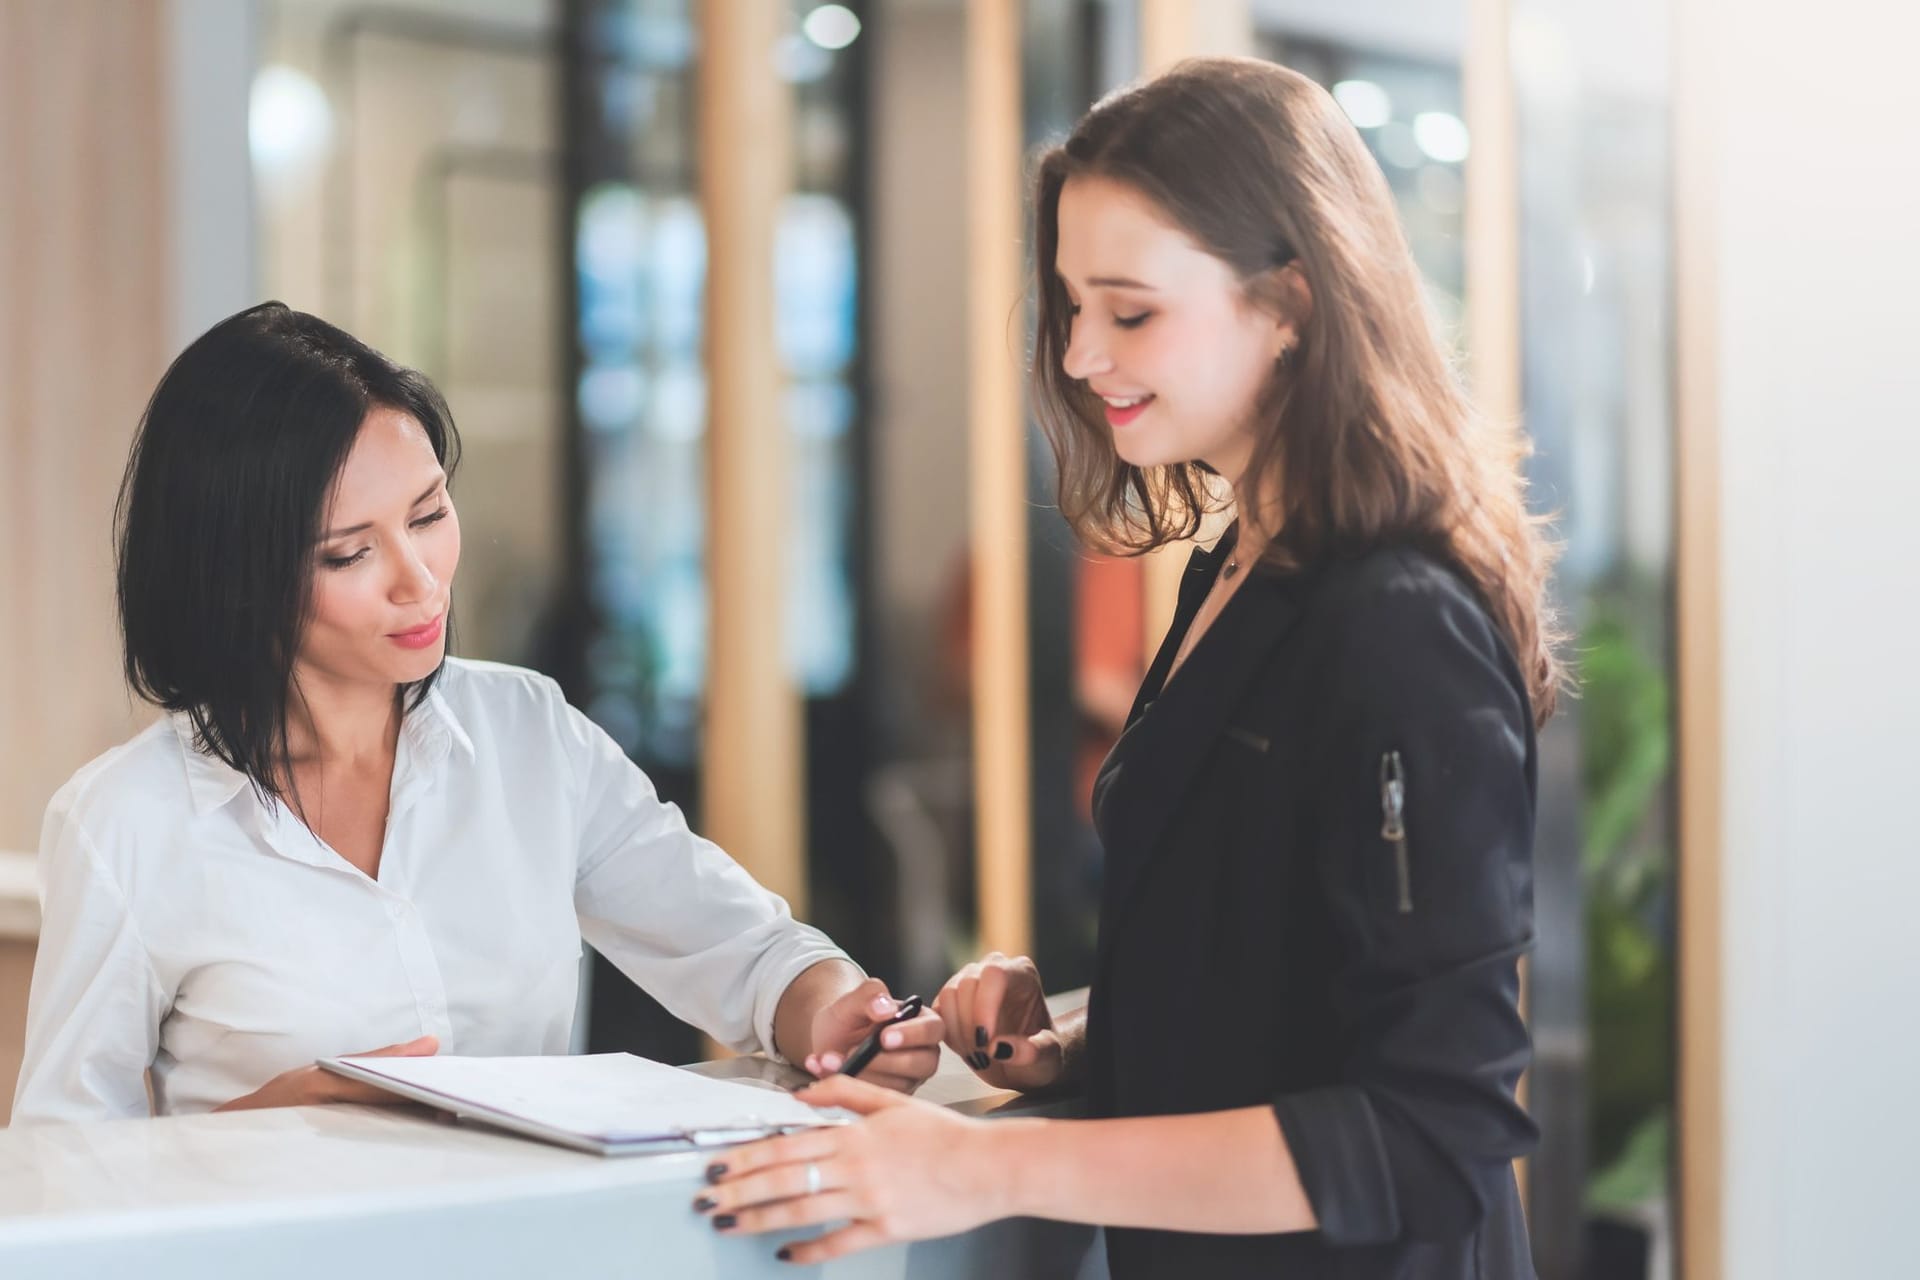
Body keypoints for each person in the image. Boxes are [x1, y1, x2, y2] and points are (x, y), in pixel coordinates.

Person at [700, 56, 1563, 1278]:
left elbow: (1432, 1130)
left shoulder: (1396, 621)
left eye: (1130, 309)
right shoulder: (1236, 570)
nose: (1078, 354)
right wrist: (1081, 1036)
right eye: (1069, 306)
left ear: (1293, 305)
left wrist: (981, 1165)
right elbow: (1289, 996)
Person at [11, 302, 942, 1123]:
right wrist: (256, 1127)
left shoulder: (529, 735)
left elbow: (744, 952)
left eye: (427, 514)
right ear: (239, 581)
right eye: (349, 555)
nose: (420, 584)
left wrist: (835, 1009)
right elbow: (63, 1171)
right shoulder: (128, 822)